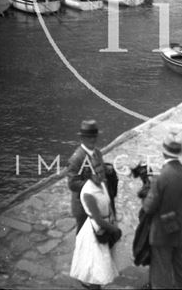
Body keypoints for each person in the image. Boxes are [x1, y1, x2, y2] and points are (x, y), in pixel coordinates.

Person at [142, 131, 182, 289]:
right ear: (179, 154)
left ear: (164, 152)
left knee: (161, 273)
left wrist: (145, 195)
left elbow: (148, 208)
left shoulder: (161, 177)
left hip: (162, 230)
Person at [70, 160, 121, 289]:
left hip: (106, 224)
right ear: (90, 175)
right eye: (97, 173)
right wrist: (114, 229)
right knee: (96, 269)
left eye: (102, 173)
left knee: (101, 267)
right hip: (95, 231)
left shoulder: (102, 184)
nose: (101, 176)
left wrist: (113, 218)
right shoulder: (87, 193)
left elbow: (109, 204)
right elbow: (97, 219)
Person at [67, 120, 107, 234]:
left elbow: (101, 172)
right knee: (83, 235)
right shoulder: (76, 159)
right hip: (82, 205)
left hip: (97, 202)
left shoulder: (98, 153)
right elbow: (72, 184)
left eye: (94, 136)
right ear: (82, 138)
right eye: (89, 137)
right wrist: (92, 183)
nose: (92, 139)